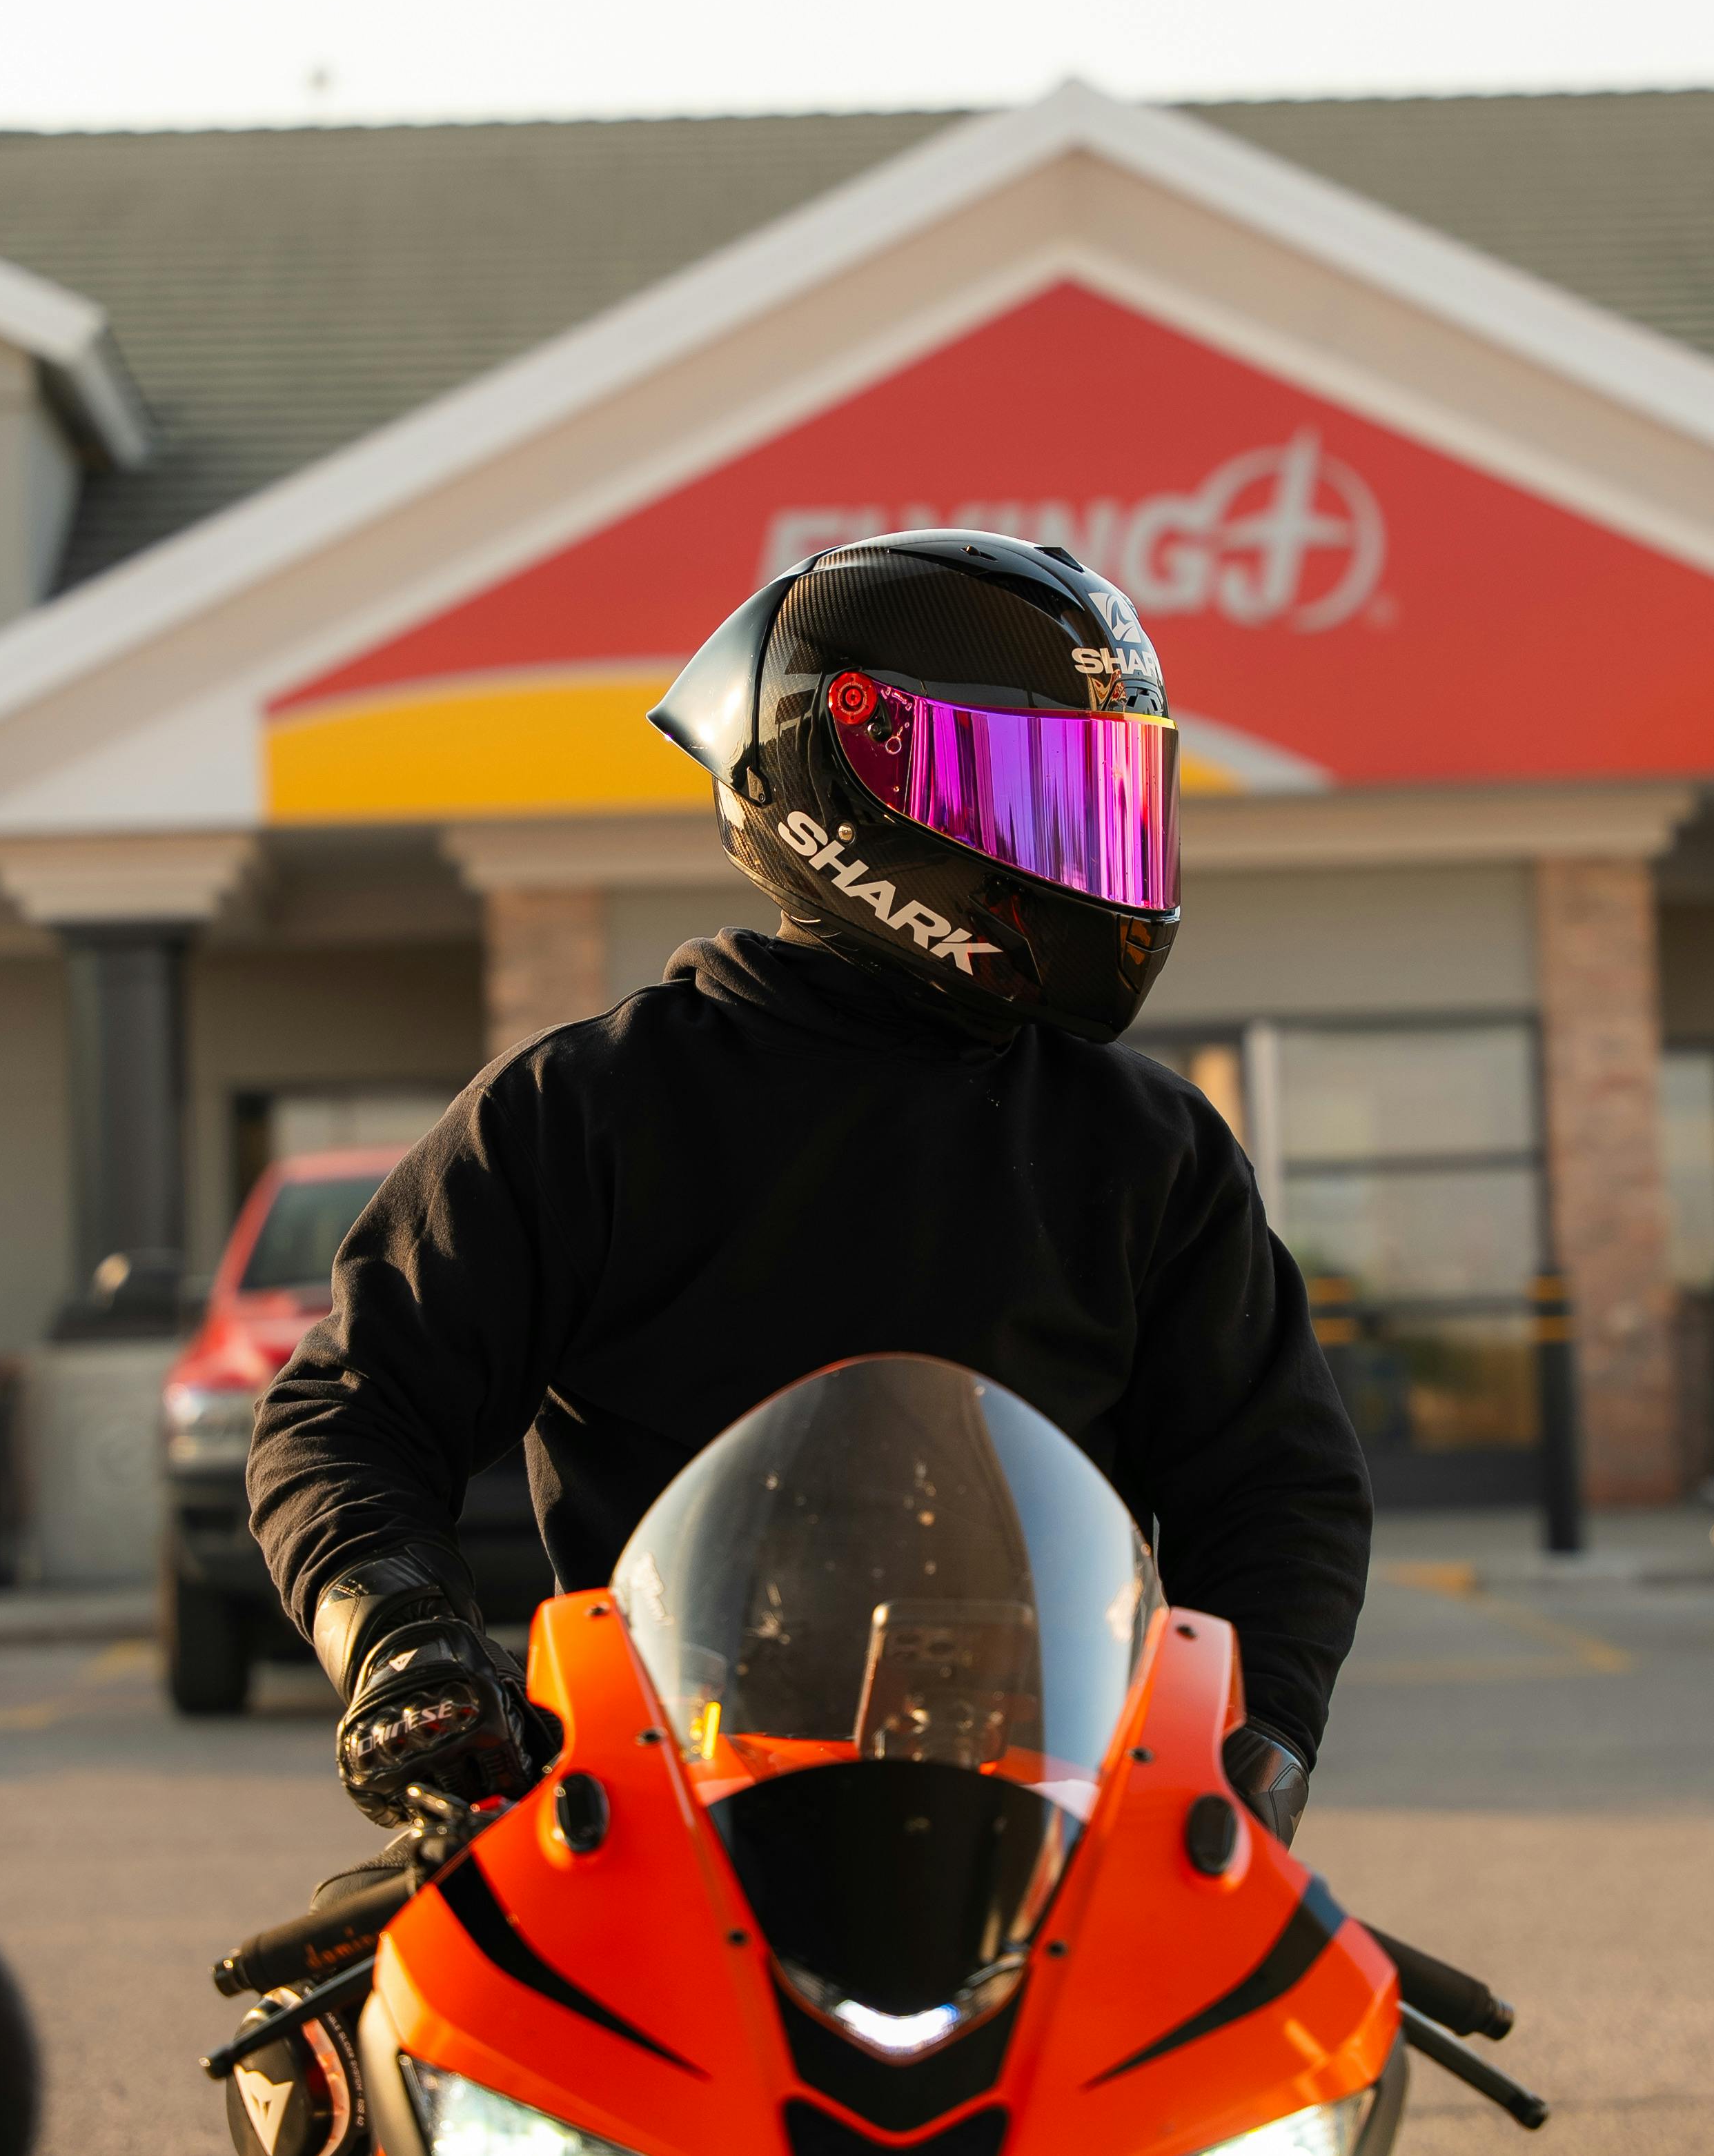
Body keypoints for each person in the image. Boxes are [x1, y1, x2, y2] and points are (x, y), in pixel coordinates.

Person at [247, 532, 1370, 1863]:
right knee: (368, 1998)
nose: (1080, 848)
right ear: (845, 787)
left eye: (1099, 801)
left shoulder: (1149, 1145)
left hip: (1050, 1838)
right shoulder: (586, 1111)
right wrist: (402, 1638)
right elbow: (348, 1415)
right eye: (1030, 798)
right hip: (657, 1829)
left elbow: (1275, 1485)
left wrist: (1257, 1741)